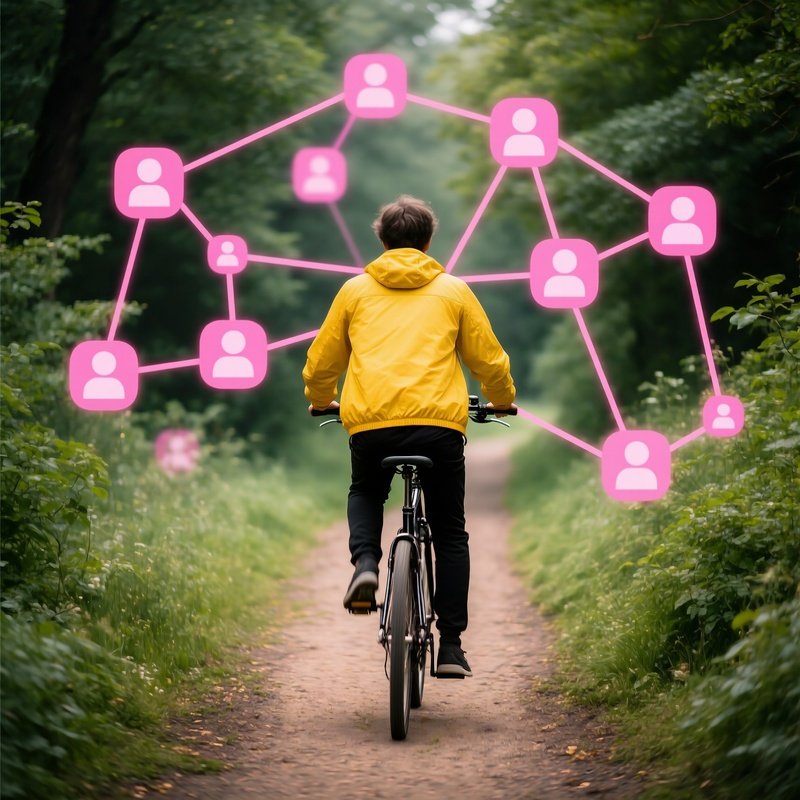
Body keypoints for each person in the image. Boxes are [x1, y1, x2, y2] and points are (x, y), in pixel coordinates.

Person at [302, 195, 516, 678]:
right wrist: (501, 399)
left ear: (382, 240)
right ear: (427, 241)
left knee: (365, 489)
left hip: (372, 424)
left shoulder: (354, 292)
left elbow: (323, 362)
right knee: (449, 532)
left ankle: (366, 564)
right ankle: (453, 646)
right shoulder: (454, 291)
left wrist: (321, 397)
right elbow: (489, 361)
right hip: (439, 428)